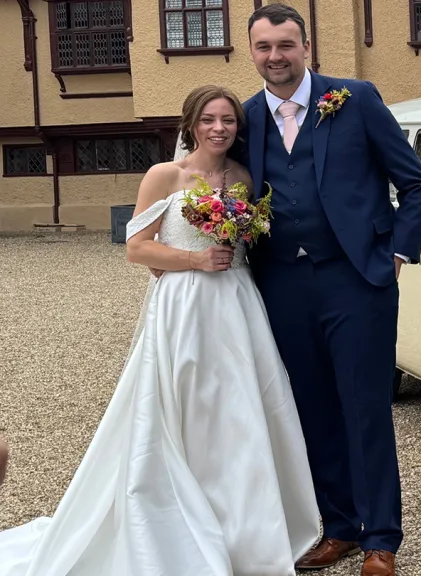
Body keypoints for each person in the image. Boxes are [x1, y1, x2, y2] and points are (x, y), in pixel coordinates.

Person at [0, 85, 321, 575]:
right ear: (191, 123)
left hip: (236, 301)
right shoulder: (165, 175)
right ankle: (175, 516)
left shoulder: (243, 176)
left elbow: (249, 241)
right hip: (186, 304)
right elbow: (136, 248)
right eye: (210, 119)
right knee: (184, 404)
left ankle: (246, 527)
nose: (219, 128)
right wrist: (194, 259)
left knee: (240, 407)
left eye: (229, 120)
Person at [231, 5, 421, 575]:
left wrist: (396, 252)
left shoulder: (355, 98)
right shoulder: (246, 119)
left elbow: (414, 184)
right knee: (312, 409)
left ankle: (382, 539)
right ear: (252, 52)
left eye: (286, 45)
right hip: (283, 282)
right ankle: (339, 527)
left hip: (357, 280)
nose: (276, 57)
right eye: (264, 46)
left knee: (365, 408)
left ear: (306, 46)